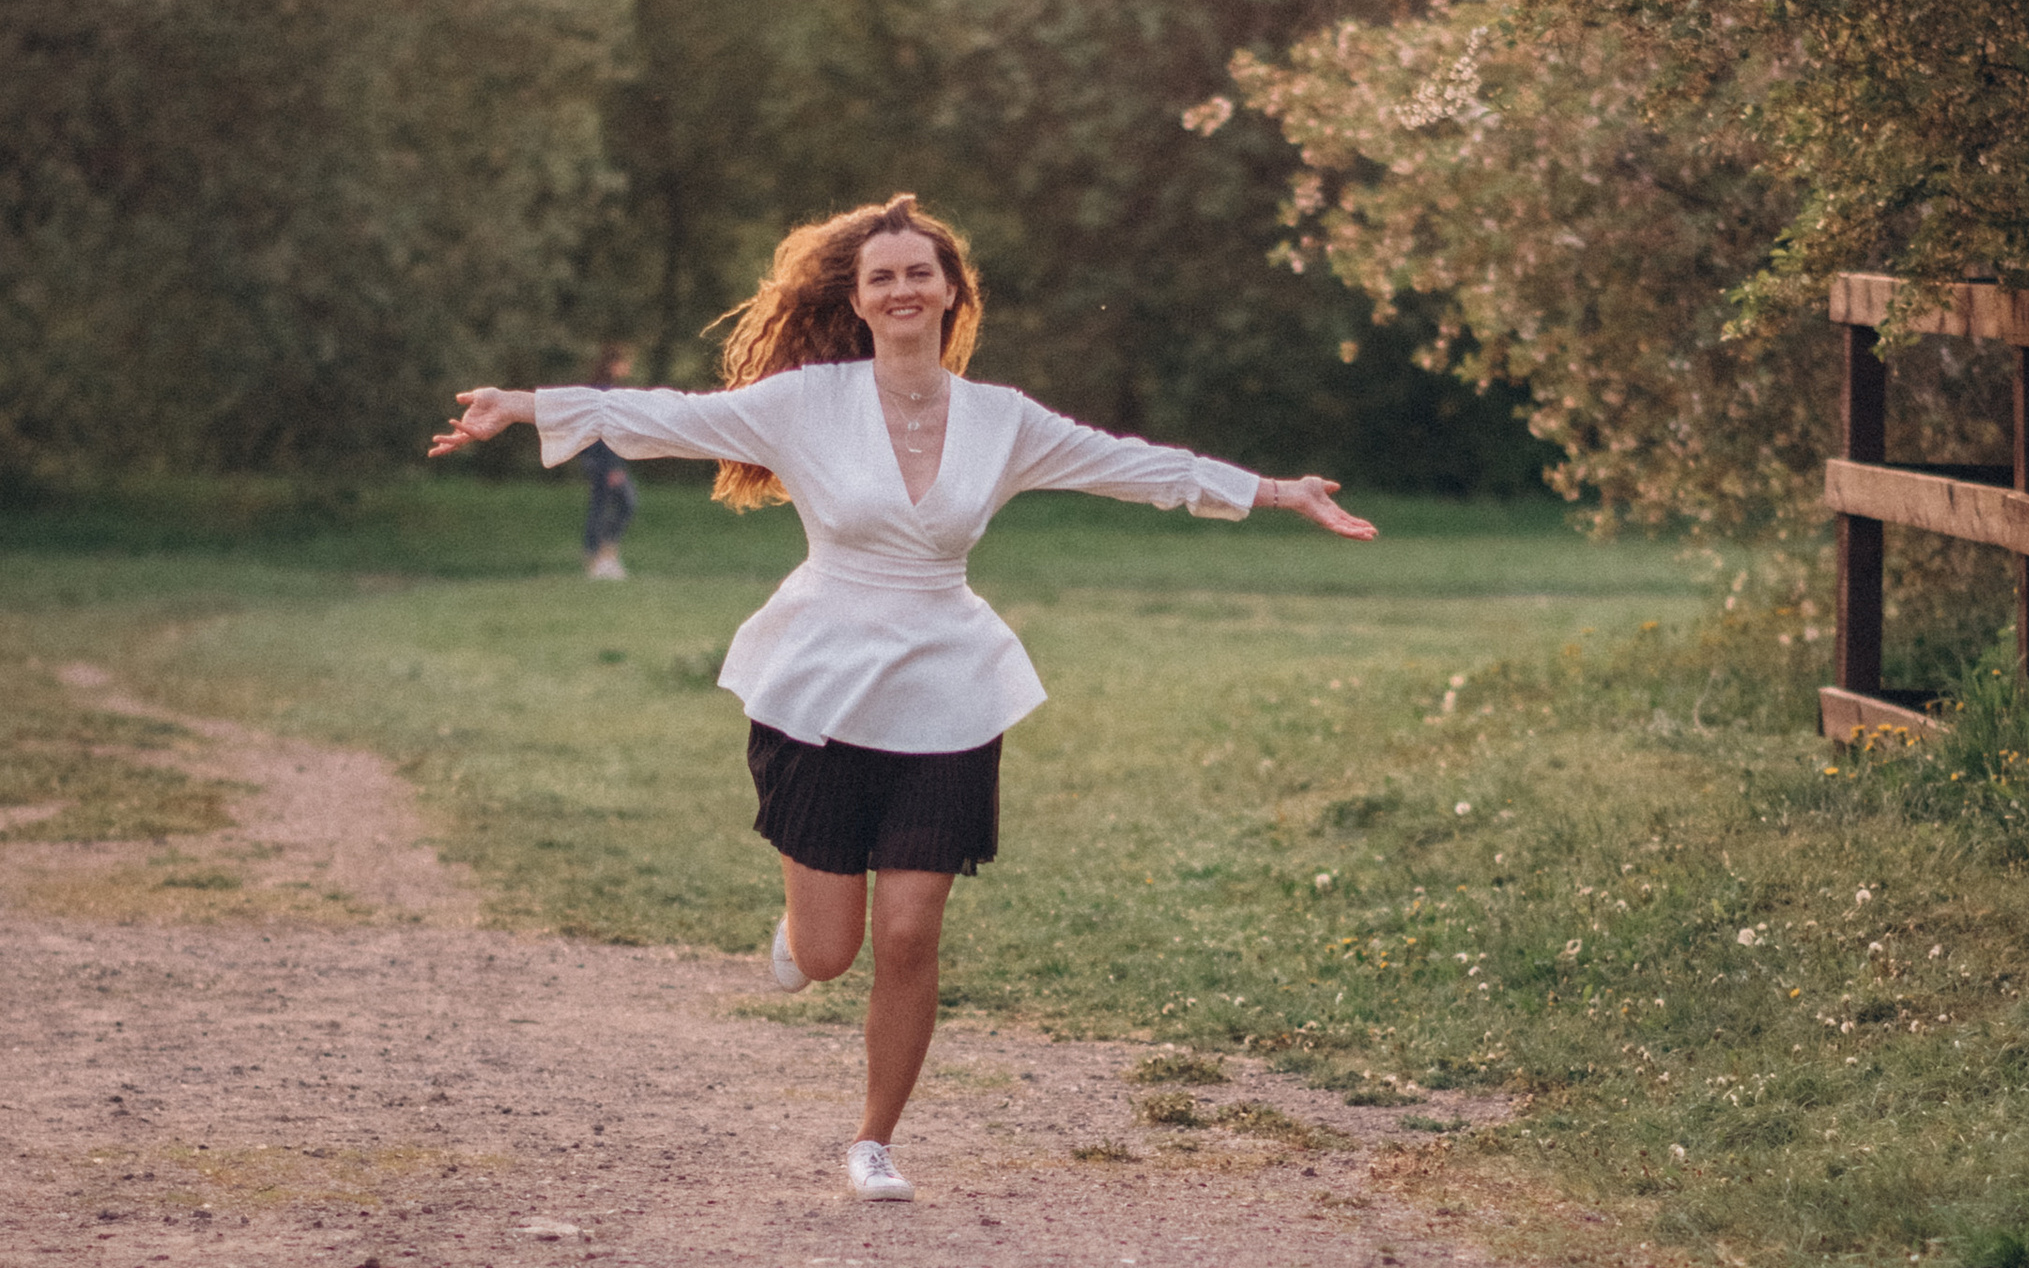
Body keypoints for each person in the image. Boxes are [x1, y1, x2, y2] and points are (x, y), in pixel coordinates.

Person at [429, 195, 1376, 1201]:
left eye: (920, 272)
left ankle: (874, 1141)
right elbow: (669, 418)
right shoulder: (807, 402)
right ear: (858, 300)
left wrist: (1279, 492)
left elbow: (1135, 467)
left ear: (952, 291)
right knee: (830, 952)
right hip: (820, 689)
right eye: (881, 277)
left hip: (947, 693)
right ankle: (800, 935)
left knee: (912, 934)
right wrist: (521, 405)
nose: (902, 289)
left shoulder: (1003, 420)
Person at [581, 344, 637, 578]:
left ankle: (603, 556)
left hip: (599, 460)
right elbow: (604, 433)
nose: (629, 367)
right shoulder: (605, 394)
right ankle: (599, 558)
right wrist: (613, 466)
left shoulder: (602, 391)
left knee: (604, 506)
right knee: (618, 504)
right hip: (603, 462)